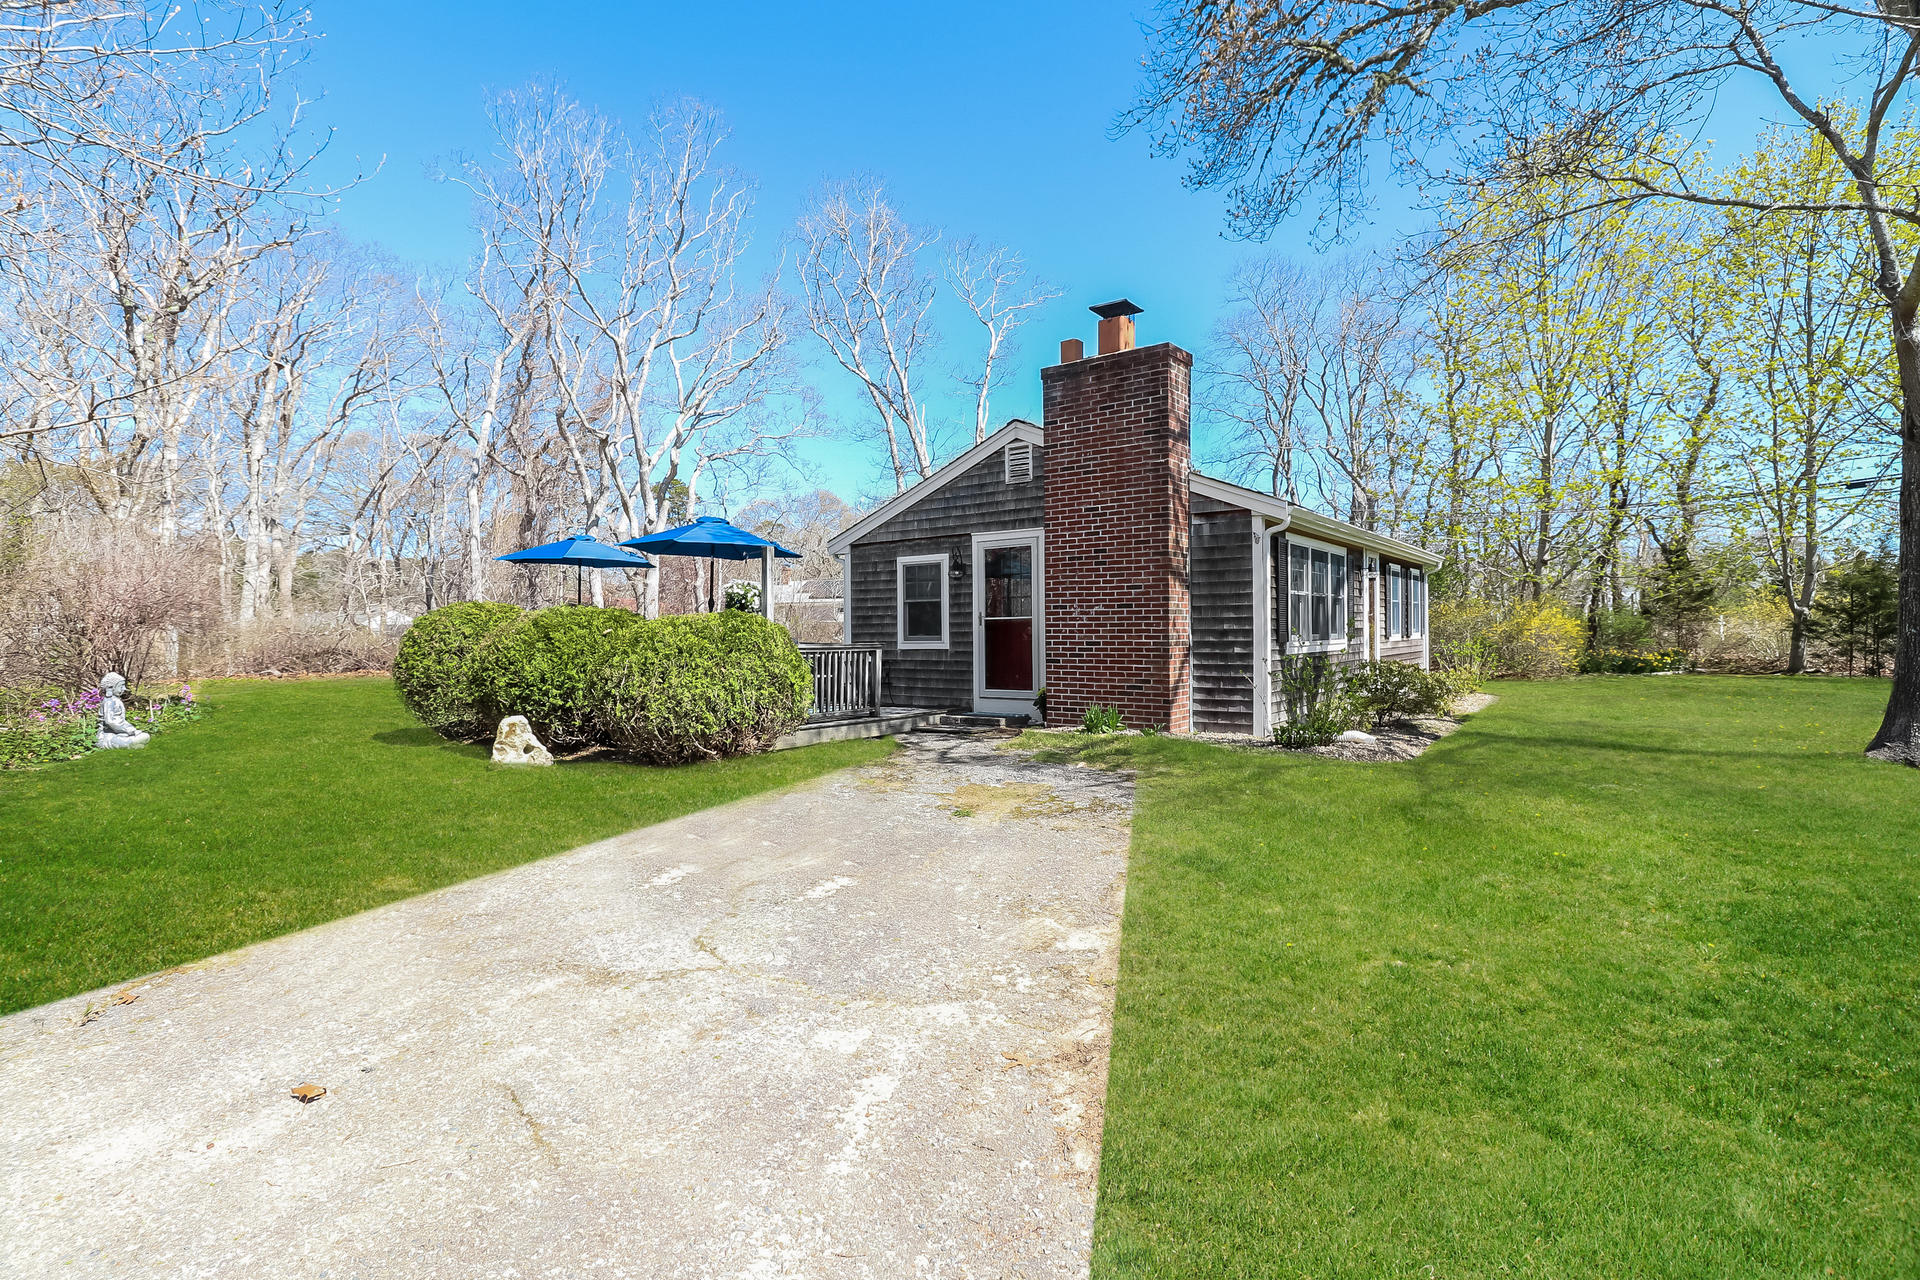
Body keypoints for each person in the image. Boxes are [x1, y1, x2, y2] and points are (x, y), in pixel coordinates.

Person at [95, 673, 151, 749]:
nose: (124, 688)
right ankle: (129, 744)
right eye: (121, 686)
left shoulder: (116, 700)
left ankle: (132, 743)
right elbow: (110, 721)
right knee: (130, 740)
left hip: (118, 732)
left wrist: (129, 731)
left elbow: (120, 721)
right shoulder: (109, 701)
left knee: (145, 736)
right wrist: (131, 731)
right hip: (106, 735)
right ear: (111, 688)